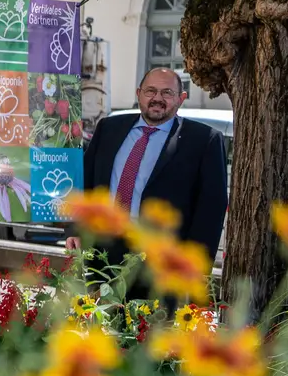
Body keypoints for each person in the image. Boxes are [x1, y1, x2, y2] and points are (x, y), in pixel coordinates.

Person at [65, 67, 228, 285]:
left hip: (160, 265)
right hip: (102, 254)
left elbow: (211, 209)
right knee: (100, 318)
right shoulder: (109, 128)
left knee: (154, 320)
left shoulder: (204, 140)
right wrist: (76, 229)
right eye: (150, 91)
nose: (157, 99)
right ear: (138, 93)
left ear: (181, 99)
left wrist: (196, 268)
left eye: (167, 93)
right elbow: (84, 182)